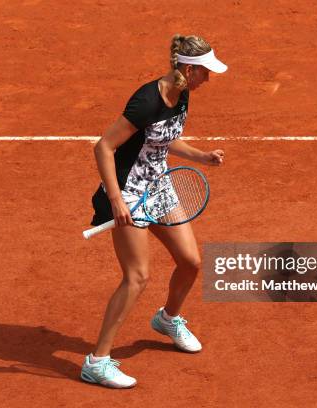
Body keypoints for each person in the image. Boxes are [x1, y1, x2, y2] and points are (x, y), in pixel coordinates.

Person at [81, 34, 227, 389]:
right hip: (128, 193)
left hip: (158, 187)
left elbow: (164, 139)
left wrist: (200, 156)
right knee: (137, 276)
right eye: (205, 72)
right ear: (189, 70)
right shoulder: (147, 100)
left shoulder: (183, 94)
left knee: (190, 261)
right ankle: (97, 362)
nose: (208, 79)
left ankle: (168, 319)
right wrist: (116, 200)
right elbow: (104, 147)